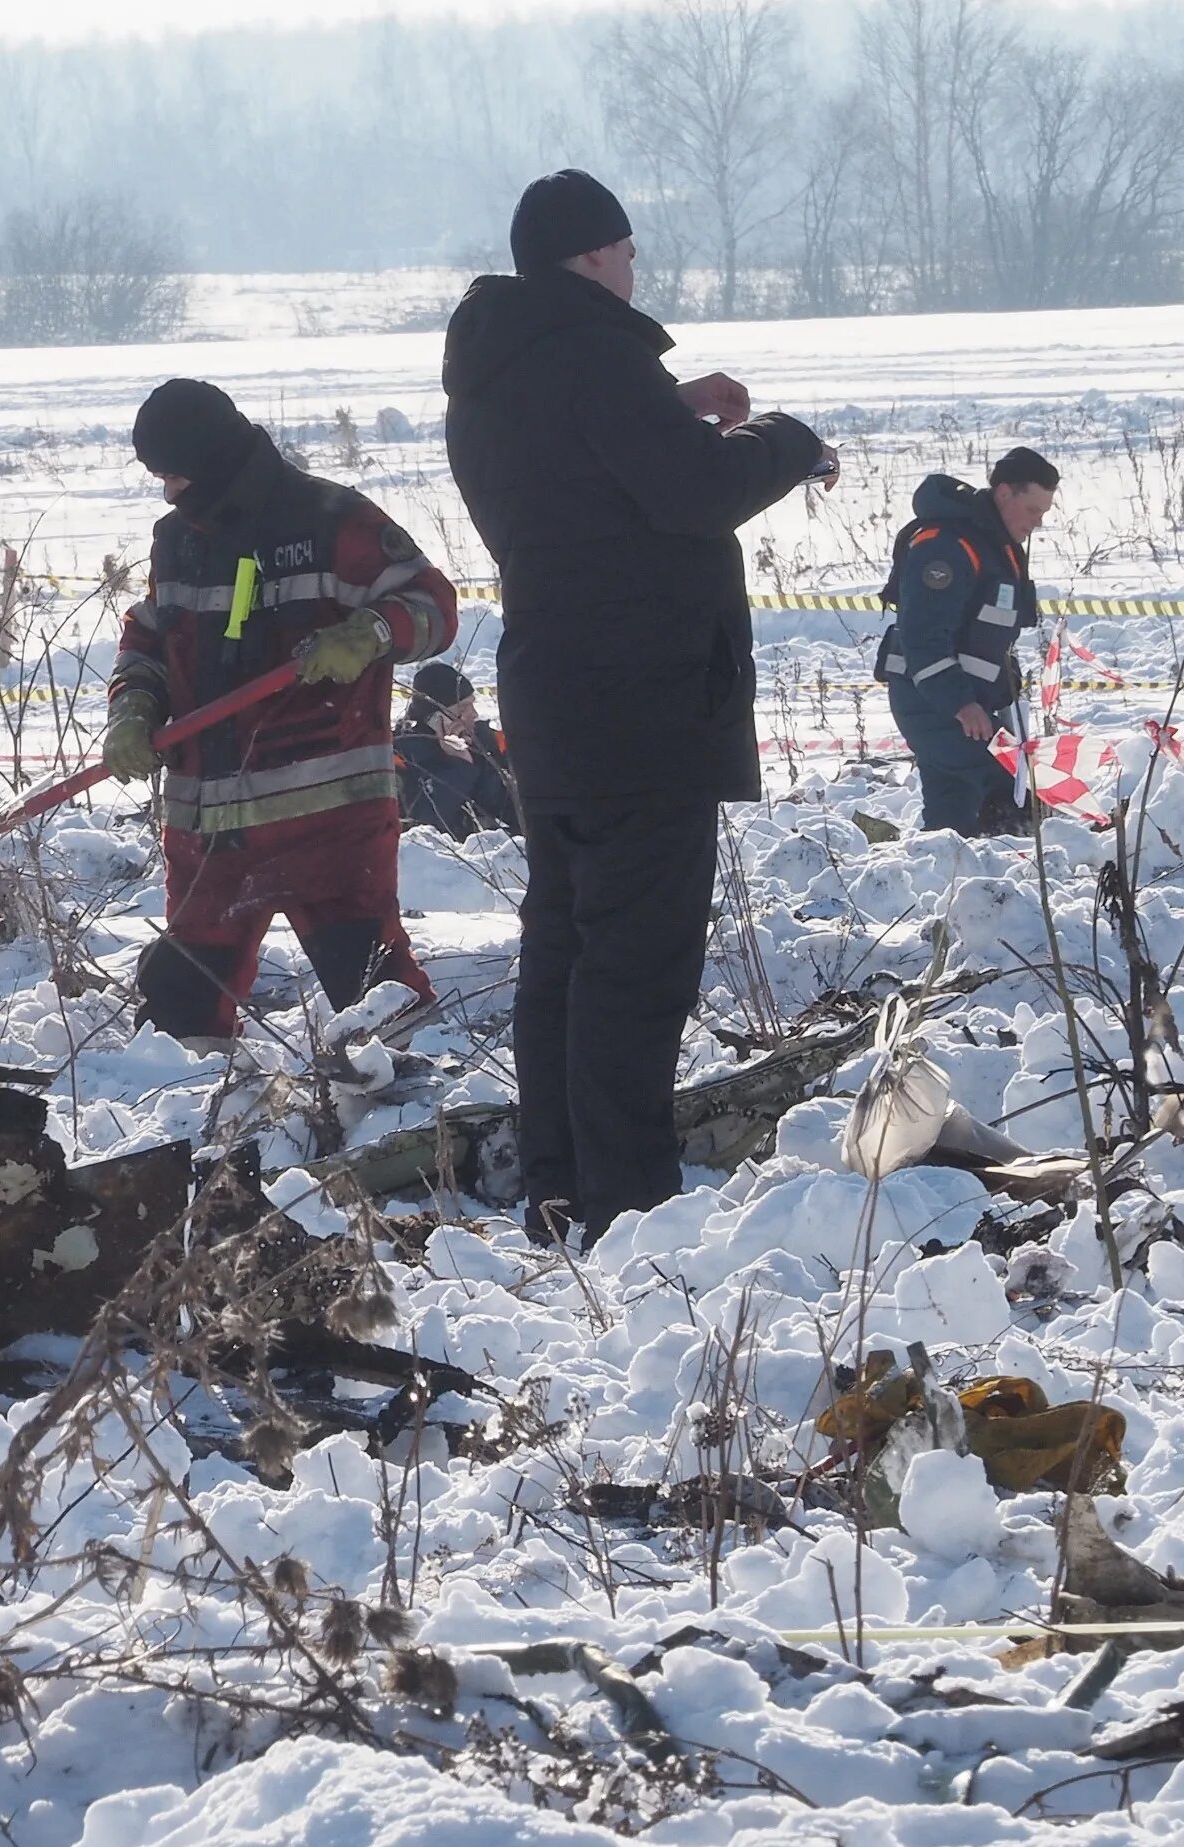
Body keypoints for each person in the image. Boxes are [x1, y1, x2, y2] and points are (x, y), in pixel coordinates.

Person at [442, 169, 834, 1245]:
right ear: (596, 256)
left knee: (564, 950)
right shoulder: (596, 355)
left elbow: (587, 473)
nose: (634, 270)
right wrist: (792, 442)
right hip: (645, 707)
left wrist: (669, 405)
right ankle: (628, 1203)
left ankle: (559, 1181)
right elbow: (690, 492)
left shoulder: (494, 377)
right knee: (634, 965)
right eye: (627, 251)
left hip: (556, 699)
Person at [106, 378, 458, 1040]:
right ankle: (198, 1125)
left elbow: (433, 605)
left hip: (327, 827)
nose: (167, 492)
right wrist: (132, 707)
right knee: (181, 1011)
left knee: (379, 1002)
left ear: (209, 461)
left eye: (173, 475)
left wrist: (370, 633)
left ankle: (414, 1117)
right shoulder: (175, 541)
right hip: (211, 835)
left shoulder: (331, 521)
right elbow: (148, 640)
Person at [877, 447, 1057, 834]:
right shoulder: (947, 547)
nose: (1037, 523)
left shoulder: (994, 544)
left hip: (961, 702)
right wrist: (961, 703)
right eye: (1032, 510)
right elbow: (922, 636)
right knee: (1011, 790)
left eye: (1043, 513)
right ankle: (1019, 874)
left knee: (953, 816)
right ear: (1005, 493)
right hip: (931, 699)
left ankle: (941, 871)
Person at [394, 660, 518, 838]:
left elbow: (519, 809)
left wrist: (480, 760)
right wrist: (460, 766)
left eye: (472, 704)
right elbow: (422, 832)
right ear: (435, 718)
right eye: (463, 708)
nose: (474, 714)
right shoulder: (402, 757)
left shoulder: (489, 741)